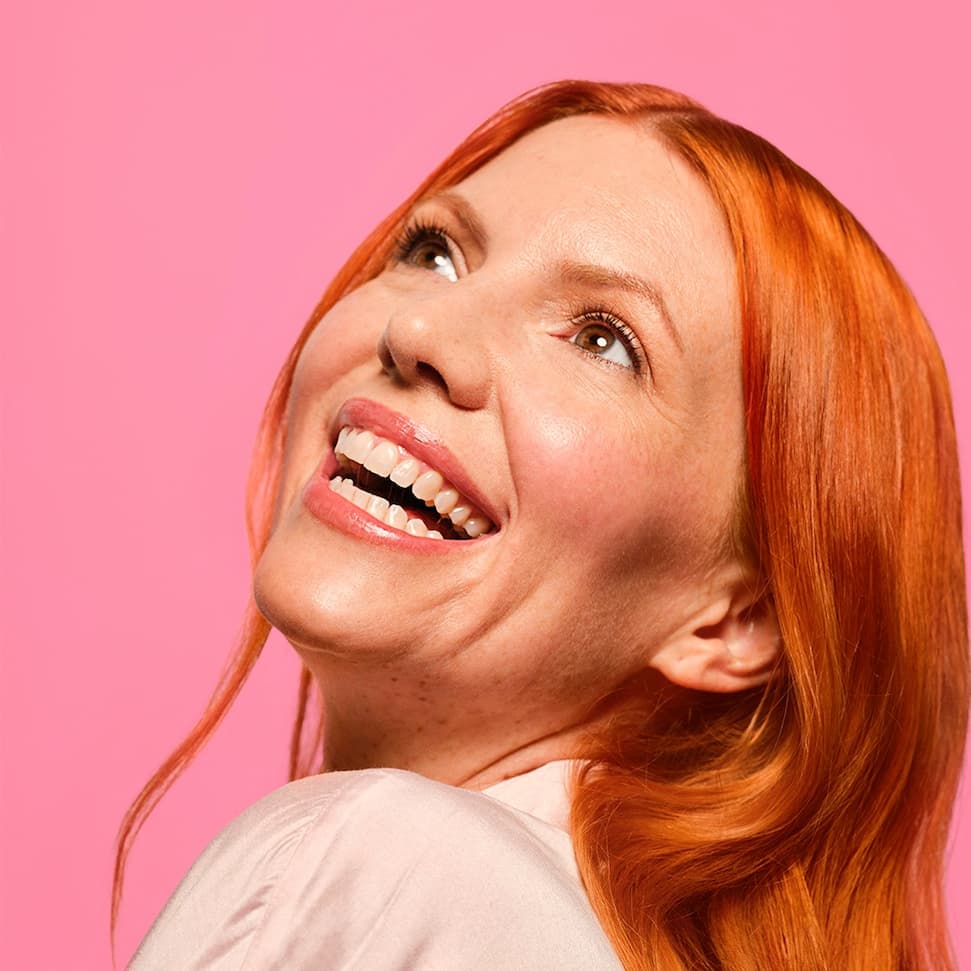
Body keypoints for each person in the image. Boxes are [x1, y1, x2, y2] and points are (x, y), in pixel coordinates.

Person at [113, 80, 969, 970]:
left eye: (603, 340)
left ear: (734, 619)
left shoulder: (370, 869)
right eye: (435, 252)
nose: (420, 328)